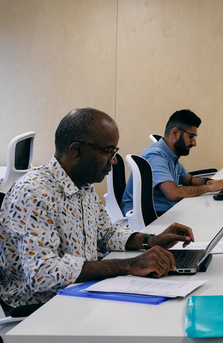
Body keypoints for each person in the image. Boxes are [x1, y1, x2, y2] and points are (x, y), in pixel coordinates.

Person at [0, 108, 195, 310]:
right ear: (76, 150)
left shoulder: (83, 185)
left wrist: (150, 240)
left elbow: (106, 232)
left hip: (81, 294)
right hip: (41, 310)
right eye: (108, 151)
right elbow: (42, 273)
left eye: (115, 152)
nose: (113, 160)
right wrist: (130, 265)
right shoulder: (33, 193)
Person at [121, 109, 223, 215]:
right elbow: (173, 193)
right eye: (191, 137)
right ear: (175, 133)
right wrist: (208, 189)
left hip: (164, 212)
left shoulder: (171, 155)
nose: (194, 143)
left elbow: (189, 180)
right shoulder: (155, 155)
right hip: (146, 216)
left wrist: (211, 183)